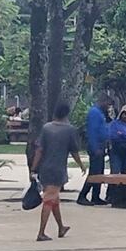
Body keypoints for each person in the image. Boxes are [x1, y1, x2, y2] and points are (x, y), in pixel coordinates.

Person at [31, 102, 87, 242]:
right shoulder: (70, 130)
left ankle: (61, 227)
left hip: (45, 168)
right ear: (67, 114)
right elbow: (74, 151)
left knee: (54, 198)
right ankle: (41, 232)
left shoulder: (46, 128)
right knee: (49, 199)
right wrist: (81, 165)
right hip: (58, 169)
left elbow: (39, 150)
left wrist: (33, 168)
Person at [77, 94, 112, 206]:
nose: (108, 107)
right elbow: (92, 132)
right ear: (102, 101)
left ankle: (95, 196)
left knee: (99, 172)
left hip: (101, 145)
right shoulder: (94, 112)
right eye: (108, 104)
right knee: (94, 173)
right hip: (96, 146)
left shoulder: (100, 113)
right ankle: (82, 195)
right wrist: (95, 147)